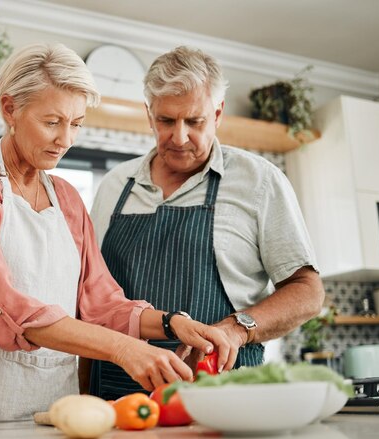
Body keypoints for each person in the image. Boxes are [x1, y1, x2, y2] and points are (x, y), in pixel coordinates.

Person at [0, 43, 232, 422]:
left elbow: (101, 304)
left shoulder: (68, 199)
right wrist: (123, 349)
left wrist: (175, 323)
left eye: (76, 123)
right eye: (52, 122)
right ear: (10, 109)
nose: (66, 140)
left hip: (49, 401)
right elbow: (1, 306)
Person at [88, 46, 324, 400]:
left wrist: (237, 329)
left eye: (194, 121)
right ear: (149, 115)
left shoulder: (258, 181)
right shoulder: (115, 185)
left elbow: (307, 291)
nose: (179, 137)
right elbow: (90, 300)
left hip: (224, 394)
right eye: (166, 121)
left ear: (217, 114)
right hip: (117, 397)